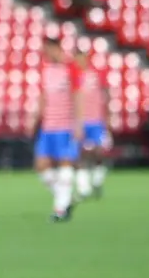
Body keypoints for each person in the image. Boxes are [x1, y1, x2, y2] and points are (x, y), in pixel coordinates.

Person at [32, 37, 84, 222]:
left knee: (65, 164)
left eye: (47, 49)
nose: (45, 53)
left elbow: (78, 96)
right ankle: (66, 198)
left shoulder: (70, 68)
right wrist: (35, 119)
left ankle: (60, 208)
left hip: (65, 125)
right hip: (48, 126)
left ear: (56, 48)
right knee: (41, 166)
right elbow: (43, 97)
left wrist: (78, 123)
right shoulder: (46, 70)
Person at [73, 50, 109, 199]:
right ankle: (83, 187)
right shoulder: (73, 78)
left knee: (98, 152)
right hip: (80, 121)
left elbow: (106, 97)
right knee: (79, 154)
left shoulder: (96, 76)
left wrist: (107, 119)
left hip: (96, 120)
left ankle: (97, 178)